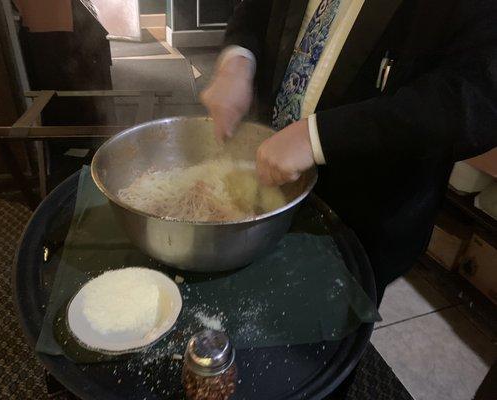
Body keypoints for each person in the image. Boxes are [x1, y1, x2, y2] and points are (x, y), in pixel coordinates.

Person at [201, 0, 497, 302]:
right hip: (261, 182)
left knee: (318, 327)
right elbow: (257, 9)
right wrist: (238, 60)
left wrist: (317, 137)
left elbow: (477, 99)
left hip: (357, 216)